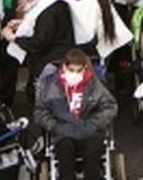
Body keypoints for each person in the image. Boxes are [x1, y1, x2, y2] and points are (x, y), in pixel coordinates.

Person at [33, 49, 117, 180]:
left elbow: (110, 106)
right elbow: (40, 111)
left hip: (89, 129)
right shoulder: (51, 86)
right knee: (64, 150)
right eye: (71, 70)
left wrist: (94, 123)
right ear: (64, 67)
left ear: (85, 68)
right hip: (64, 131)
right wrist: (55, 126)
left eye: (79, 71)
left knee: (94, 149)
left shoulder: (94, 84)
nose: (75, 74)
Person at [1, 0, 75, 92]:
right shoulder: (53, 0)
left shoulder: (47, 9)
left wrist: (14, 38)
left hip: (50, 62)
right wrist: (23, 23)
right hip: (56, 58)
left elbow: (39, 42)